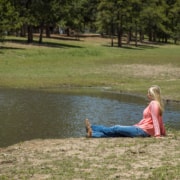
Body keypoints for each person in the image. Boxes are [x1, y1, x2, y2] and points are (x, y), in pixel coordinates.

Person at [85, 85, 166, 138]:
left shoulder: (153, 103)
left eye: (149, 93)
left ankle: (92, 127)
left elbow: (155, 120)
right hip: (141, 130)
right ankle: (92, 134)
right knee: (115, 134)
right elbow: (160, 121)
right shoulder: (157, 104)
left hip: (142, 131)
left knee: (116, 128)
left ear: (153, 94)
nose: (147, 94)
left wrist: (158, 135)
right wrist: (163, 133)